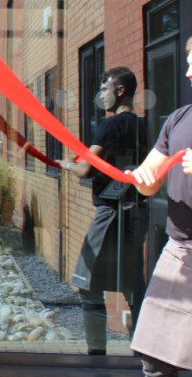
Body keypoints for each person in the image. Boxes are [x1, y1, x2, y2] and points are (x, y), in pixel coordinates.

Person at [129, 39, 192, 377]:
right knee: (154, 352)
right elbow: (153, 175)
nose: (188, 72)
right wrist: (143, 179)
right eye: (188, 62)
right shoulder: (179, 118)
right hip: (179, 249)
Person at [57, 66, 148, 355]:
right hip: (137, 213)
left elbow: (85, 168)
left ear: (120, 91)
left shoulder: (110, 126)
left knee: (87, 282)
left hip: (110, 213)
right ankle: (142, 351)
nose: (101, 96)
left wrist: (67, 165)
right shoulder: (144, 126)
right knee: (132, 284)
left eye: (105, 89)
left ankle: (96, 352)